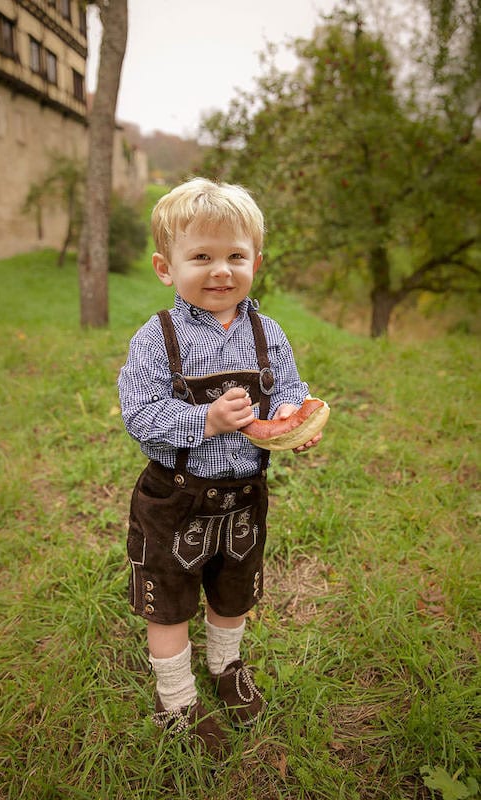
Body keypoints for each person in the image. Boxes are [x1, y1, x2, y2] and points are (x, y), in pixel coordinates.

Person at [118, 177, 322, 759]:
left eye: (235, 255)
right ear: (166, 267)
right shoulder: (158, 339)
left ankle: (225, 665)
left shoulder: (268, 331)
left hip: (244, 494)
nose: (220, 271)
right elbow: (139, 415)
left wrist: (289, 414)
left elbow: (288, 387)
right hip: (175, 496)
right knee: (171, 595)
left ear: (256, 260)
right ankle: (176, 696)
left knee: (234, 590)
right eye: (200, 256)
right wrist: (205, 421)